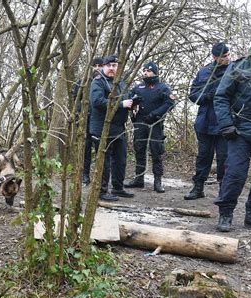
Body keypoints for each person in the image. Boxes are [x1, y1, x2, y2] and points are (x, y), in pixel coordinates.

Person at [213, 25, 251, 232]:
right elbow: (221, 97)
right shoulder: (240, 66)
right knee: (236, 173)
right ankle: (226, 214)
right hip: (240, 129)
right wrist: (226, 124)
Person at [184, 43, 230, 200]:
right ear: (215, 57)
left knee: (224, 158)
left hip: (225, 123)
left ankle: (223, 192)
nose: (227, 58)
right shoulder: (204, 72)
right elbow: (193, 95)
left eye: (228, 54)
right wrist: (207, 96)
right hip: (205, 121)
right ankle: (198, 188)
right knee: (203, 157)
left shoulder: (233, 71)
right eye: (224, 56)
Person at [89, 54, 134, 201]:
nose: (112, 69)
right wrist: (121, 104)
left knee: (120, 159)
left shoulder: (120, 82)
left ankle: (118, 187)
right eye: (109, 66)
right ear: (103, 66)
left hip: (119, 128)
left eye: (114, 66)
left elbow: (126, 98)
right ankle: (101, 191)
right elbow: (98, 102)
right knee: (104, 161)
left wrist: (134, 104)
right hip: (102, 128)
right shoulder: (98, 82)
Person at [125, 62, 175, 193]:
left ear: (155, 72)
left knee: (156, 152)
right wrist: (133, 108)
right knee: (139, 149)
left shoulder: (162, 87)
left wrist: (155, 114)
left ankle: (157, 181)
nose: (145, 73)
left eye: (148, 70)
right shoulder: (138, 87)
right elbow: (129, 100)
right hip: (140, 123)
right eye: (144, 70)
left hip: (155, 123)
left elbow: (170, 103)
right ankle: (138, 179)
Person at [73, 57, 104, 186]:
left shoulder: (106, 83)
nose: (97, 68)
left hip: (100, 121)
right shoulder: (83, 82)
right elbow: (75, 100)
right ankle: (85, 176)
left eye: (100, 65)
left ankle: (101, 176)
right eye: (95, 65)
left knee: (100, 148)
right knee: (85, 148)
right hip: (85, 120)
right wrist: (80, 114)